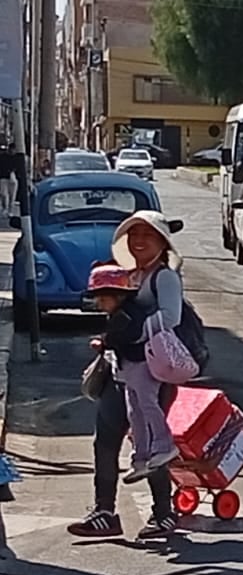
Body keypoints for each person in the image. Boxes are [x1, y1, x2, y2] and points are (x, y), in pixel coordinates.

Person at [65, 212, 187, 542]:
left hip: (151, 373)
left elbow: (171, 318)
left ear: (163, 242)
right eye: (134, 235)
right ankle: (104, 512)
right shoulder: (129, 275)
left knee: (150, 443)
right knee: (105, 441)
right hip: (119, 372)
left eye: (148, 234)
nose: (139, 241)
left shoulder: (164, 277)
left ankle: (164, 514)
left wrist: (133, 334)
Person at [85, 264, 178, 482]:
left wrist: (104, 342)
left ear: (117, 296)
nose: (100, 304)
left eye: (103, 298)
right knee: (135, 412)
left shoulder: (126, 315)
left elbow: (129, 334)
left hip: (141, 365)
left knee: (147, 406)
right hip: (129, 367)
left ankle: (164, 445)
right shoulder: (120, 313)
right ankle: (141, 457)